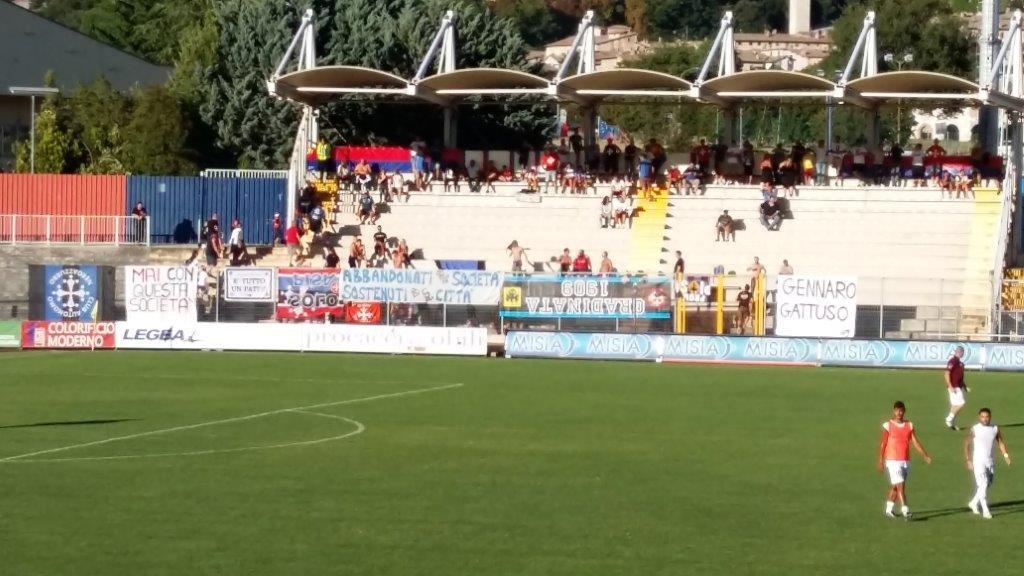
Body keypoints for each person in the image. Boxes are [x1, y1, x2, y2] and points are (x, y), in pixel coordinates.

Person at [877, 401, 932, 520]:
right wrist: (880, 460)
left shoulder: (909, 425)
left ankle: (888, 509)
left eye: (901, 410)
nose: (899, 413)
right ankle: (905, 510)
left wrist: (924, 454)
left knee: (896, 487)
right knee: (901, 485)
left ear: (904, 411)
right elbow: (883, 444)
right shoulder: (888, 425)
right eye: (897, 410)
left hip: (905, 460)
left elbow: (915, 442)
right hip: (892, 460)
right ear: (893, 411)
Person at [964, 408, 1012, 519]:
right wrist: (968, 460)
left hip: (990, 461)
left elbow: (1000, 442)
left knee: (987, 484)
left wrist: (1006, 456)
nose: (985, 419)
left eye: (987, 417)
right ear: (979, 417)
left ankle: (973, 502)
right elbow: (966, 444)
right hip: (978, 461)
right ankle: (985, 510)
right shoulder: (975, 429)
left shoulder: (994, 428)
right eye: (982, 417)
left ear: (990, 417)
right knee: (983, 484)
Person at [945, 345, 969, 430]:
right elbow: (947, 373)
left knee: (954, 405)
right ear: (956, 352)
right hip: (954, 387)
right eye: (959, 352)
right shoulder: (953, 361)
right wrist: (950, 386)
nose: (960, 353)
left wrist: (965, 387)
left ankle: (952, 424)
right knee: (961, 403)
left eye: (961, 352)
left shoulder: (960, 363)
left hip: (958, 386)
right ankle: (949, 418)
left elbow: (960, 377)